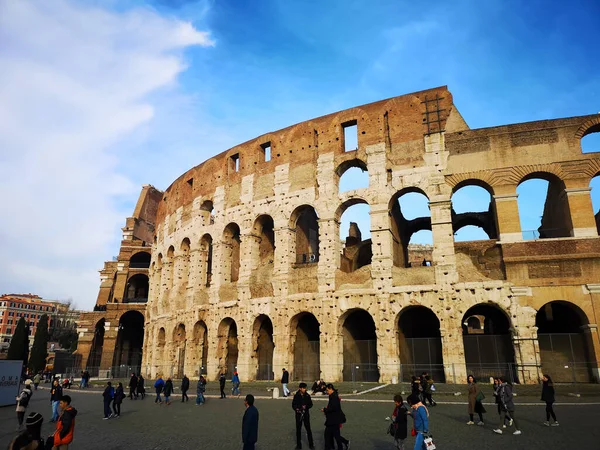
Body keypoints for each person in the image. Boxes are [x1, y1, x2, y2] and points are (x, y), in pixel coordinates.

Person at [321, 384, 350, 450]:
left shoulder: (334, 397)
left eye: (328, 390)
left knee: (329, 435)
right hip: (334, 419)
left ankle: (339, 445)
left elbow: (333, 408)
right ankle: (342, 445)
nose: (327, 392)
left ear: (331, 389)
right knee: (335, 435)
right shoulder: (333, 395)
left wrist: (325, 410)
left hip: (334, 420)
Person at [292, 382, 315, 450]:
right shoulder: (296, 396)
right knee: (298, 430)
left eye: (305, 388)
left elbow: (311, 404)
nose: (305, 389)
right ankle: (299, 445)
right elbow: (293, 405)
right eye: (303, 388)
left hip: (306, 415)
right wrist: (297, 409)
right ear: (300, 388)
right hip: (298, 415)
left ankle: (311, 445)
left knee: (308, 430)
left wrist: (306, 406)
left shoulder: (307, 396)